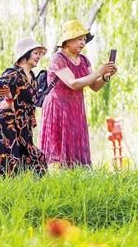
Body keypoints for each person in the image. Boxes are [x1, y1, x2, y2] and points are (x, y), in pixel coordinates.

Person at [40, 20, 117, 167]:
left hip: (76, 108)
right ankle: (57, 174)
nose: (83, 42)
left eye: (84, 39)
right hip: (58, 108)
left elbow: (94, 86)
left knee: (76, 152)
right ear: (67, 41)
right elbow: (73, 83)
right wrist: (99, 72)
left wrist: (105, 76)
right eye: (79, 39)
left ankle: (77, 172)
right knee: (58, 152)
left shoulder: (84, 60)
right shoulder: (58, 59)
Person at [0, 37, 48, 179]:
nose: (38, 56)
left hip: (22, 125)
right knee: (9, 165)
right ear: (25, 54)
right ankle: (5, 192)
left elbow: (30, 104)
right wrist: (9, 100)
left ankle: (41, 190)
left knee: (37, 160)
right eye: (36, 53)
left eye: (39, 53)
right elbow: (0, 84)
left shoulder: (32, 77)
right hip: (4, 123)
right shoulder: (13, 72)